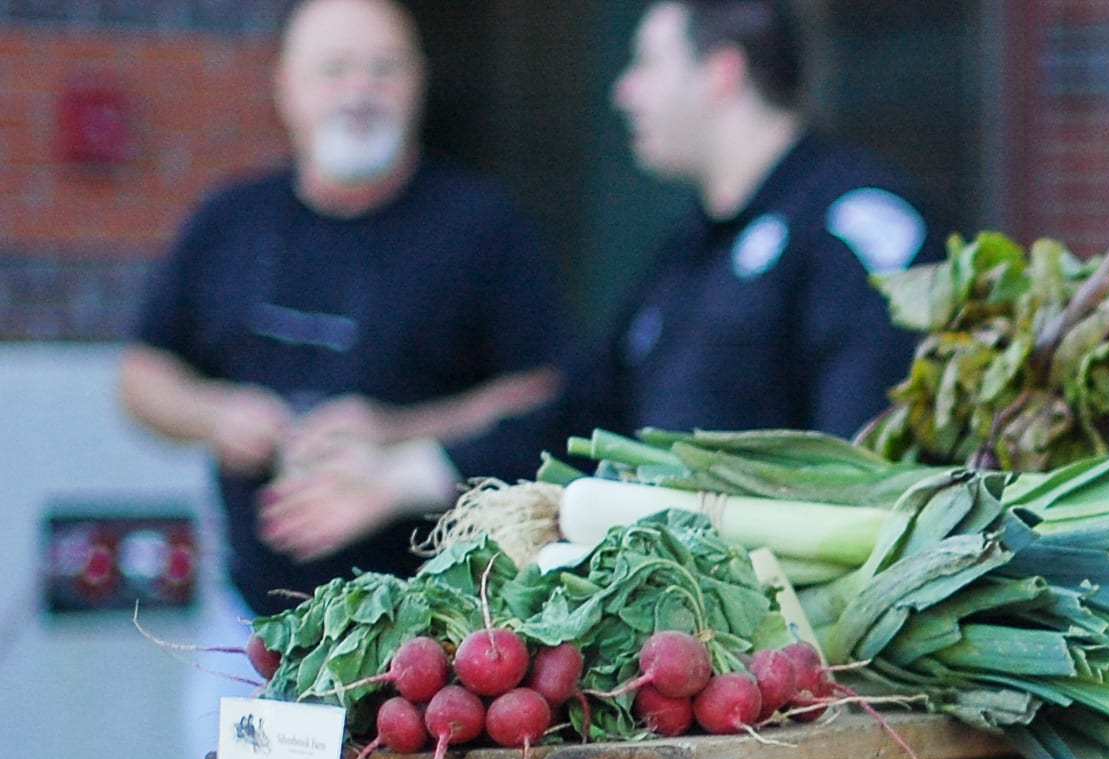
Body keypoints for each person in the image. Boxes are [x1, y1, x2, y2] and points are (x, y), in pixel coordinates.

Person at [117, 0, 566, 612]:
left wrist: (394, 432)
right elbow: (142, 376)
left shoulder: (484, 229)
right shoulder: (228, 220)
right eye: (334, 70)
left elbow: (547, 396)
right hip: (242, 617)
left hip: (435, 622)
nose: (359, 92)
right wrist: (218, 415)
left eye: (384, 70)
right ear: (286, 88)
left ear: (419, 85)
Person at [586, 1, 931, 439]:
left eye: (647, 63)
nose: (624, 92)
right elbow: (591, 408)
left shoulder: (852, 228)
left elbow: (865, 458)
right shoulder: (687, 251)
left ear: (721, 72)